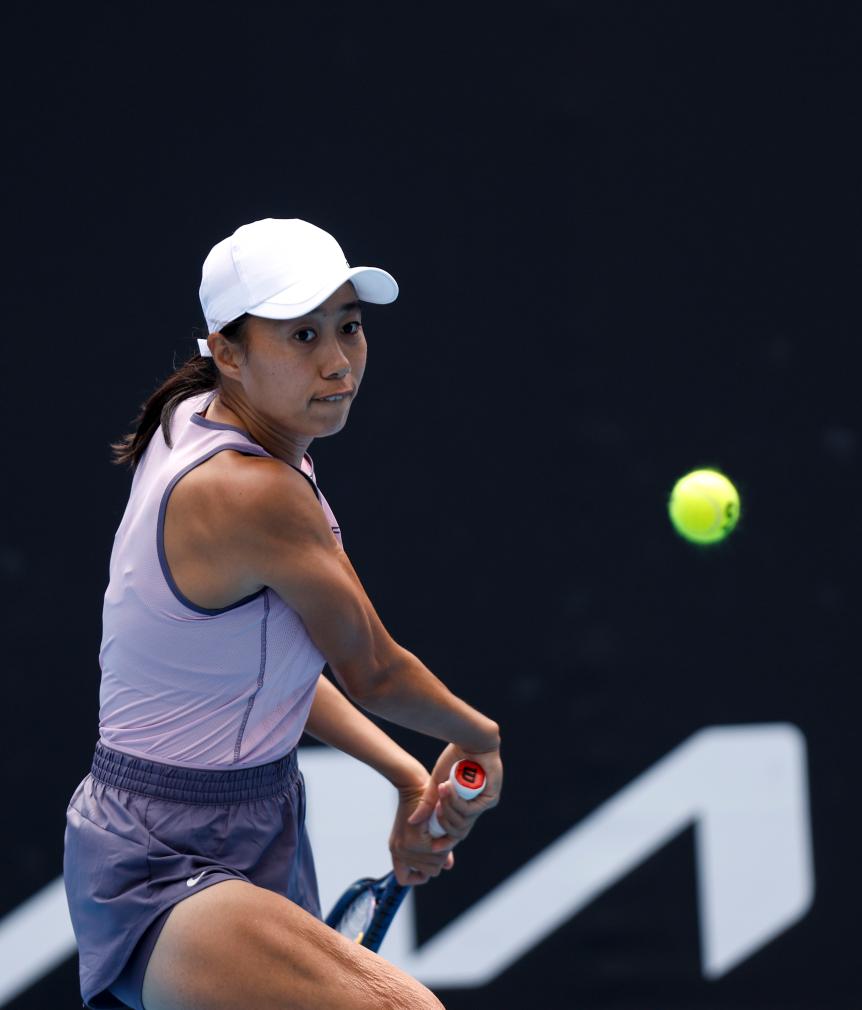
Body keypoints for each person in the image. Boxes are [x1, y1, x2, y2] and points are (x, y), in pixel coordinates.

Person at [63, 217, 503, 1010]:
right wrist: (479, 738)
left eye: (349, 327)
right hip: (161, 859)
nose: (337, 361)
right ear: (226, 351)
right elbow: (373, 669)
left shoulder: (201, 415)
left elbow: (273, 672)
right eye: (302, 335)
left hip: (257, 828)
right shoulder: (252, 492)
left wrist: (406, 775)